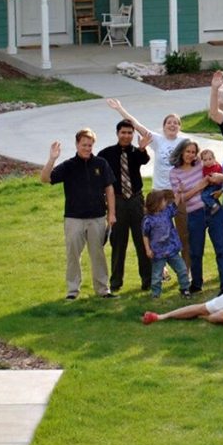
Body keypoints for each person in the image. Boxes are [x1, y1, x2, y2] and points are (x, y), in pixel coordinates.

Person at [106, 98, 190, 265]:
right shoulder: (158, 140)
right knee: (157, 231)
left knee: (183, 232)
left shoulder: (184, 143)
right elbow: (136, 125)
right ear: (164, 125)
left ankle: (186, 269)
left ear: (180, 127)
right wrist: (120, 109)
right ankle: (160, 268)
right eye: (169, 123)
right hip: (159, 192)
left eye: (176, 123)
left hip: (178, 193)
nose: (172, 125)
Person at [41, 129, 116, 300]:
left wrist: (111, 214)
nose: (87, 148)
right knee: (73, 254)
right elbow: (45, 179)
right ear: (77, 145)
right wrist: (52, 159)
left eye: (90, 145)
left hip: (97, 218)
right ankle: (72, 291)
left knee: (98, 254)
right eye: (84, 145)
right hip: (74, 219)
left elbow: (109, 189)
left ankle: (103, 290)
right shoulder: (68, 165)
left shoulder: (101, 164)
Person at [97, 119, 152, 294]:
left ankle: (148, 280)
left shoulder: (137, 152)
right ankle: (115, 282)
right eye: (123, 132)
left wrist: (142, 148)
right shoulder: (106, 154)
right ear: (117, 133)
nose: (126, 136)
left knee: (142, 241)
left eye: (130, 133)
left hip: (136, 201)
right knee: (118, 243)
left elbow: (144, 159)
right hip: (118, 202)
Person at [170, 140, 223, 295]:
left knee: (222, 249)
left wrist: (221, 190)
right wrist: (199, 186)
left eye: (193, 152)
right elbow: (181, 198)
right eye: (187, 151)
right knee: (195, 251)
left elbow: (219, 174)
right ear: (181, 152)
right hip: (194, 213)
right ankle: (196, 284)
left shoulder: (201, 164)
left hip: (214, 209)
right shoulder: (174, 173)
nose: (190, 155)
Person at [142, 189, 190, 299]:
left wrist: (178, 193)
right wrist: (147, 249)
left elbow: (175, 204)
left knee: (182, 269)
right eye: (163, 200)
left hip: (172, 249)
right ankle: (155, 294)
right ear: (156, 203)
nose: (166, 202)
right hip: (157, 252)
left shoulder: (167, 212)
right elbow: (145, 235)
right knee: (157, 275)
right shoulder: (148, 220)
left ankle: (185, 288)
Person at [197, 148, 223, 214]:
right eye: (205, 160)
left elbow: (220, 177)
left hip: (216, 185)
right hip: (209, 185)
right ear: (202, 161)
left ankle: (214, 206)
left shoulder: (217, 167)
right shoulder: (204, 168)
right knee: (203, 194)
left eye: (210, 159)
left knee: (204, 195)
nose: (208, 161)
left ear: (214, 159)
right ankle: (208, 209)